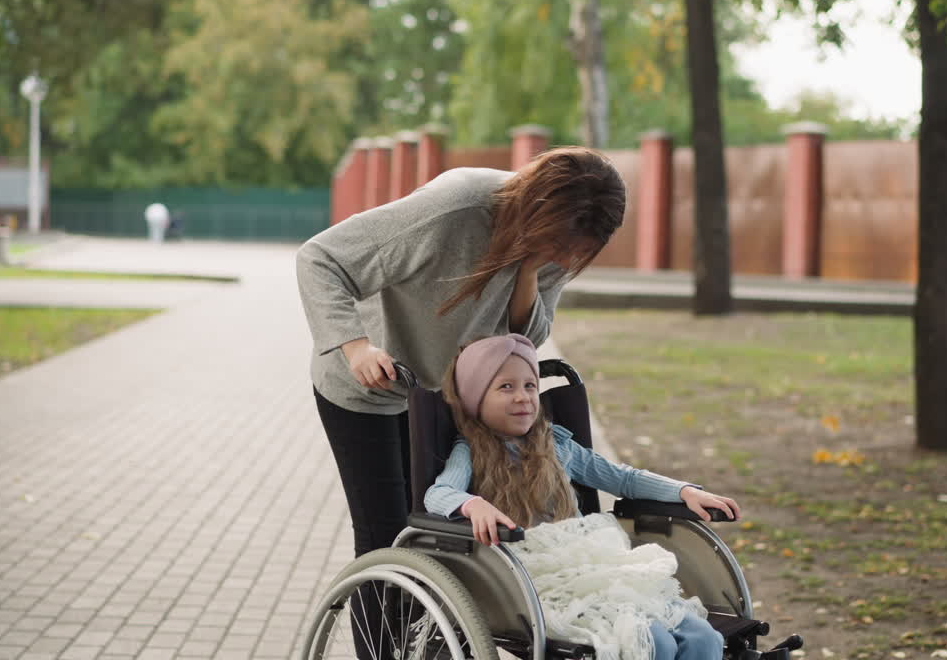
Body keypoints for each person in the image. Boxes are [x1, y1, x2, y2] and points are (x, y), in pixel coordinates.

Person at [296, 148, 626, 656]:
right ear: (539, 207)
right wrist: (355, 346)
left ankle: (431, 644)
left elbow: (527, 339)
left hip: (446, 395)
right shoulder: (456, 209)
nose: (565, 258)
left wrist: (528, 268)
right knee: (387, 538)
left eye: (575, 251)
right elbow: (321, 258)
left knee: (443, 534)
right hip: (370, 386)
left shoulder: (557, 246)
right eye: (559, 243)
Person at [425, 333, 740, 660]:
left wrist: (683, 491)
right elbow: (439, 493)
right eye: (506, 387)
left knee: (702, 637)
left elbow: (623, 478)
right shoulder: (469, 452)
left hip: (596, 566)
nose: (523, 397)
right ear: (475, 399)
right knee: (653, 643)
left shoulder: (556, 446)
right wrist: (473, 504)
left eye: (530, 386)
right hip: (536, 582)